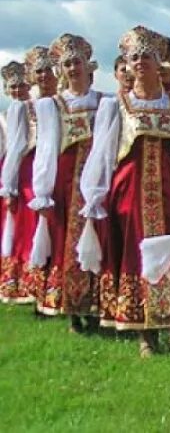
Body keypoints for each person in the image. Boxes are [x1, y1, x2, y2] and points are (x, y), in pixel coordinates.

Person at [79, 26, 170, 357]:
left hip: (169, 189)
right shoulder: (116, 106)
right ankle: (144, 331)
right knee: (135, 252)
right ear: (126, 65)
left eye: (148, 56)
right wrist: (94, 195)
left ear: (162, 64)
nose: (141, 62)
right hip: (131, 189)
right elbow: (102, 152)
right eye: (135, 57)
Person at [28, 35, 104, 328]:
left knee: (101, 235)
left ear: (88, 66)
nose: (73, 68)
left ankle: (96, 304)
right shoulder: (52, 106)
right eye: (68, 63)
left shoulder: (104, 102)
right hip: (67, 179)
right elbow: (45, 149)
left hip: (97, 178)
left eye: (77, 62)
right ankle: (71, 307)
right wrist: (43, 191)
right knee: (67, 241)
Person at [0, 48, 57, 305]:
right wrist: (9, 186)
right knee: (33, 228)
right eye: (39, 71)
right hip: (32, 172)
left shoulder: (65, 102)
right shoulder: (25, 109)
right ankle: (33, 287)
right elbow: (14, 147)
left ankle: (56, 286)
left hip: (63, 169)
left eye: (49, 70)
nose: (44, 76)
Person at [0, 60, 34, 303]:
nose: (18, 91)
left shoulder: (36, 110)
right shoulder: (6, 115)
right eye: (13, 87)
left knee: (28, 226)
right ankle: (12, 280)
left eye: (21, 85)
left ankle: (31, 282)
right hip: (11, 172)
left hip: (30, 170)